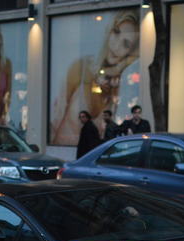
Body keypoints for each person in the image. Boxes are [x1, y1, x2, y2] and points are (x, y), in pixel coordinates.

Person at [51, 10, 140, 145]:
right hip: (70, 152)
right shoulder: (82, 67)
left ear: (131, 52)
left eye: (126, 44)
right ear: (109, 31)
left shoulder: (123, 82)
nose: (116, 46)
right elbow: (54, 120)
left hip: (97, 155)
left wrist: (118, 68)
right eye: (116, 32)